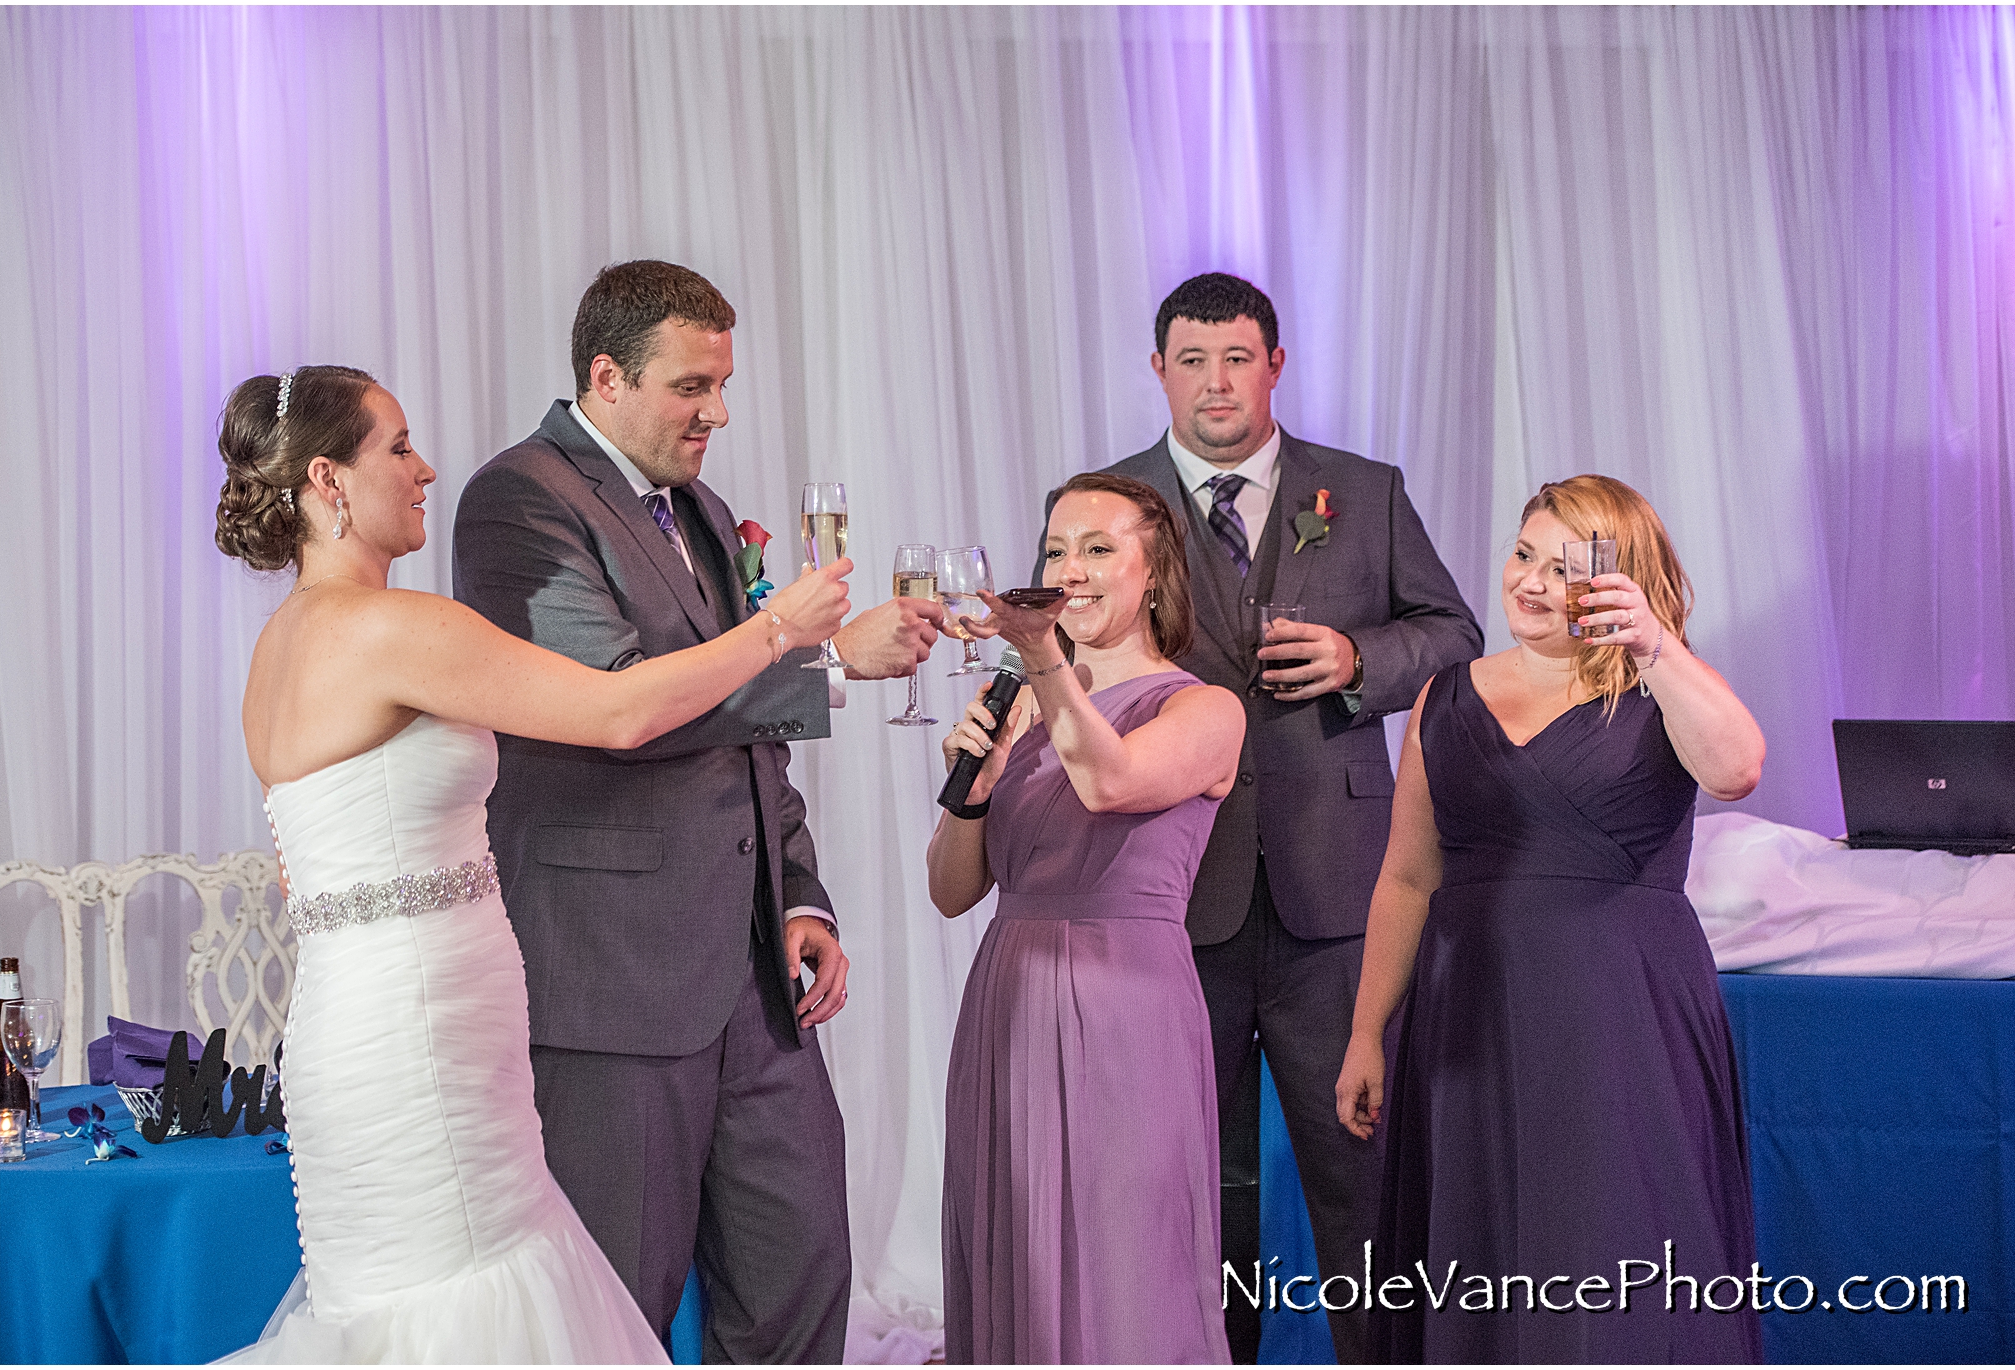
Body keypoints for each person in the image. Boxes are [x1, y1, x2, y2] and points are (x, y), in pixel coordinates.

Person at [212, 364, 850, 1361]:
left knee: (408, 1300)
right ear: (329, 481)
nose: (424, 467)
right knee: (471, 1301)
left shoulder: (278, 647)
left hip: (360, 1015)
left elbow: (308, 866)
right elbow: (621, 709)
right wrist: (781, 629)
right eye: (397, 446)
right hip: (423, 1032)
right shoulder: (395, 629)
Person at [451, 260, 940, 1362]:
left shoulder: (702, 509)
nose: (717, 411)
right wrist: (828, 662)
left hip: (754, 974)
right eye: (691, 387)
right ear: (606, 375)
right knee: (613, 1304)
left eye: (722, 384)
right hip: (612, 982)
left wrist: (799, 890)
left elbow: (746, 739)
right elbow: (614, 705)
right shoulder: (517, 499)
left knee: (802, 1273)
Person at [1041, 272, 1483, 1362]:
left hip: (1336, 896)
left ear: (1274, 365)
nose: (1215, 382)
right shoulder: (1109, 503)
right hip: (1170, 894)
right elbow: (1059, 641)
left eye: (1236, 358)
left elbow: (1452, 633)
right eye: (1190, 360)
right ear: (1157, 371)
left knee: (1360, 1174)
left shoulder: (1361, 490)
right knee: (1192, 1180)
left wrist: (1355, 659)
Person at [1336, 474, 1766, 1363]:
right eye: (1523, 554)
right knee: (1473, 1251)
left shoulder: (1660, 687)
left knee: (1624, 1244)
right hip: (1468, 1016)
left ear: (1620, 581)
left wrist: (1654, 645)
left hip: (1621, 1015)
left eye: (1564, 569)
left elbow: (1737, 770)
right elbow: (1407, 878)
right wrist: (1368, 1031)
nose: (1530, 583)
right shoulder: (1443, 698)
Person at [929, 473, 1247, 1364]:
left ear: (1155, 573)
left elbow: (1109, 782)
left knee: (1124, 1254)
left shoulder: (1204, 709)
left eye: (1100, 548)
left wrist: (1042, 661)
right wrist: (973, 799)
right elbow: (950, 891)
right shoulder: (1023, 705)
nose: (1072, 568)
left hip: (1127, 1006)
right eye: (1058, 549)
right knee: (1016, 1245)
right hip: (1011, 998)